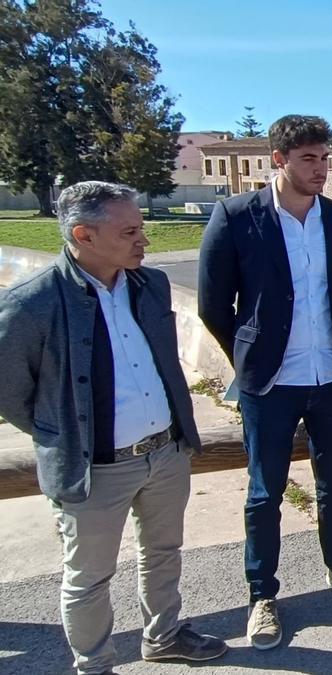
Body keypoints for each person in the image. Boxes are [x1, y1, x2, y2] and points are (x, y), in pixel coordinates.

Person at [0, 182, 226, 674]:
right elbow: (10, 391)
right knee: (88, 578)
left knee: (164, 552)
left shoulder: (151, 284)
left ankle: (163, 637)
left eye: (141, 227)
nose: (143, 239)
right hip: (94, 469)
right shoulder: (31, 304)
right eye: (129, 231)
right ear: (84, 234)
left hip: (165, 454)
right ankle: (95, 665)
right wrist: (62, 434)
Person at [198, 115, 332, 650]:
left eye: (325, 158)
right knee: (264, 492)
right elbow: (215, 305)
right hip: (270, 382)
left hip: (331, 376)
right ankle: (262, 595)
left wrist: (328, 345)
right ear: (278, 160)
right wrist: (251, 354)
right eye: (309, 159)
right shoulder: (235, 217)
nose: (322, 169)